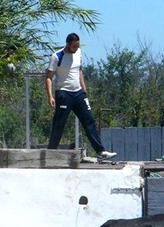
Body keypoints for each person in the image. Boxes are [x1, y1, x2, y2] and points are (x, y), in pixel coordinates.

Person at [45, 33, 116, 161]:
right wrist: (50, 96)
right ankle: (51, 151)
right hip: (63, 93)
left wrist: (84, 90)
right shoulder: (57, 57)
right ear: (68, 44)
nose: (76, 48)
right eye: (74, 46)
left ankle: (101, 151)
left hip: (78, 93)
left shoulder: (79, 53)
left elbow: (79, 71)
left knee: (89, 120)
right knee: (59, 123)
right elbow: (49, 77)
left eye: (78, 45)